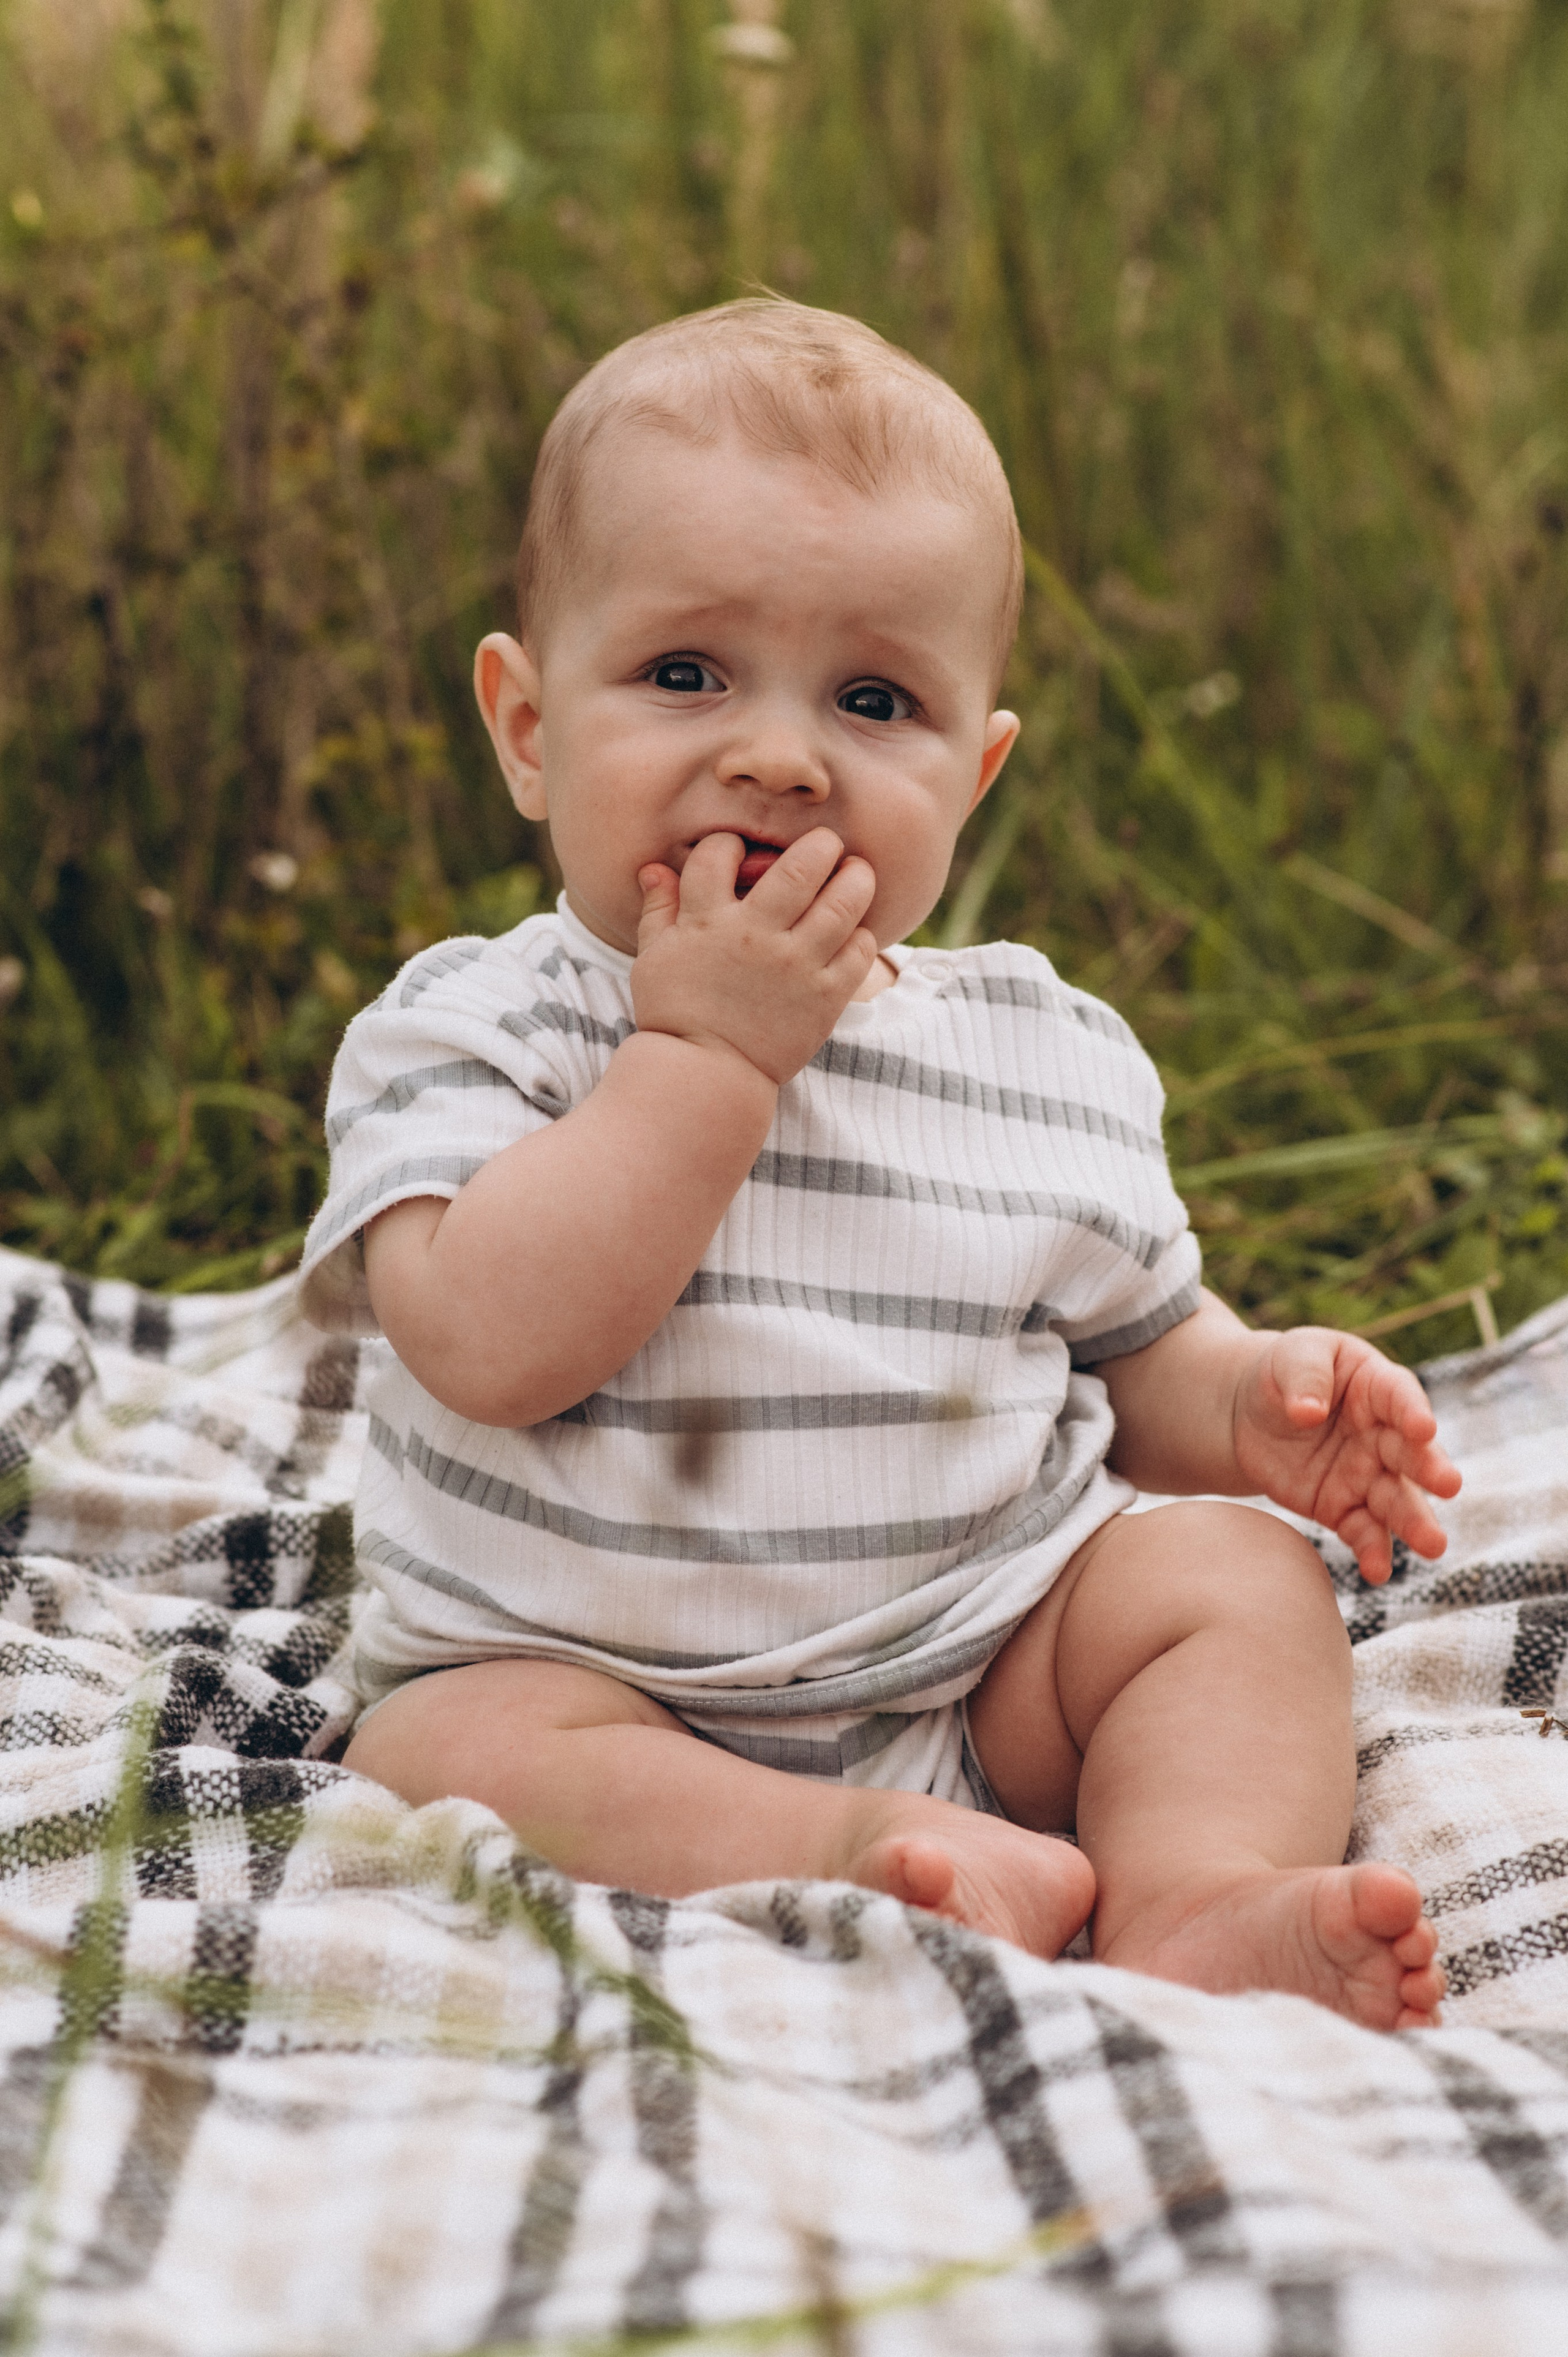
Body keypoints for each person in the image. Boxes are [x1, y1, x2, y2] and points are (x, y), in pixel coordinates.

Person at [300, 298, 1459, 2030]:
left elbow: (1134, 1352)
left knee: (1229, 1586)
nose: (780, 753)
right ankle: (849, 1845)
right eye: (686, 674)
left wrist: (1254, 1406)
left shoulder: (1036, 1048)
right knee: (436, 1752)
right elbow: (486, 1340)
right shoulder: (481, 1033)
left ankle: (1196, 1894)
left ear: (972, 772)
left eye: (874, 697)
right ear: (530, 729)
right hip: (592, 1687)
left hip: (988, 1660)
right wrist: (701, 1063)